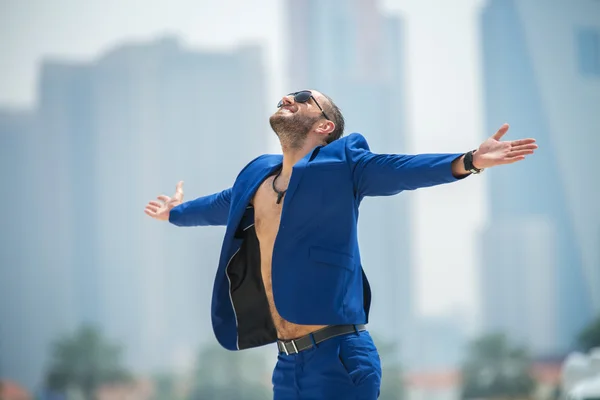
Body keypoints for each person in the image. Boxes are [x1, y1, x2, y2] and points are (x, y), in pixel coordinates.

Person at [144, 89, 537, 399]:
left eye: (302, 98)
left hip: (339, 358)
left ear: (325, 126)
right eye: (286, 95)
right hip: (286, 365)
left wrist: (469, 160)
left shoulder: (345, 164)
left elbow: (402, 169)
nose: (288, 98)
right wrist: (174, 213)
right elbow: (218, 206)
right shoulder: (257, 178)